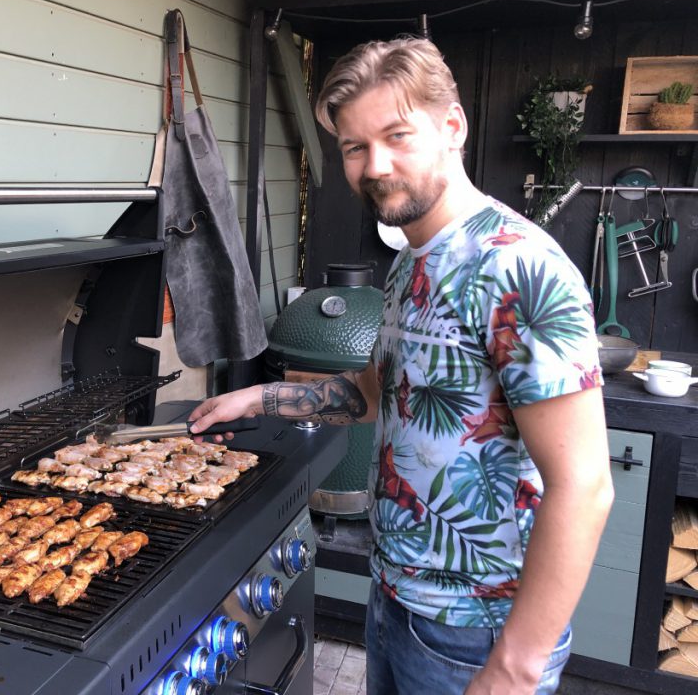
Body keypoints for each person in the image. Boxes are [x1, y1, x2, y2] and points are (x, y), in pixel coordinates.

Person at [187, 36, 613, 695]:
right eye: (355, 147)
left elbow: (584, 486)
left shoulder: (517, 267)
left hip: (477, 633)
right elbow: (372, 394)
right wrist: (257, 399)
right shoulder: (411, 265)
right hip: (396, 602)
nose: (375, 165)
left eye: (397, 136)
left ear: (452, 128)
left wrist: (514, 667)